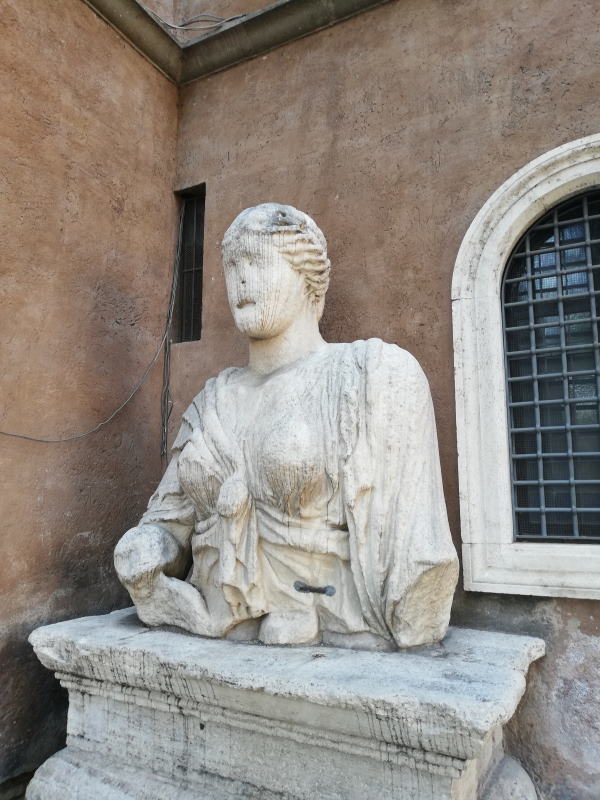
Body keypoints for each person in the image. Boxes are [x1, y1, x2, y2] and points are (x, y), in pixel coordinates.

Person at [114, 203, 458, 649]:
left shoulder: (369, 376)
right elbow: (170, 524)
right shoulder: (211, 400)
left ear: (307, 277)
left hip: (334, 627)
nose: (241, 279)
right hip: (209, 621)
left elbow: (417, 559)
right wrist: (144, 549)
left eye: (257, 262)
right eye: (232, 266)